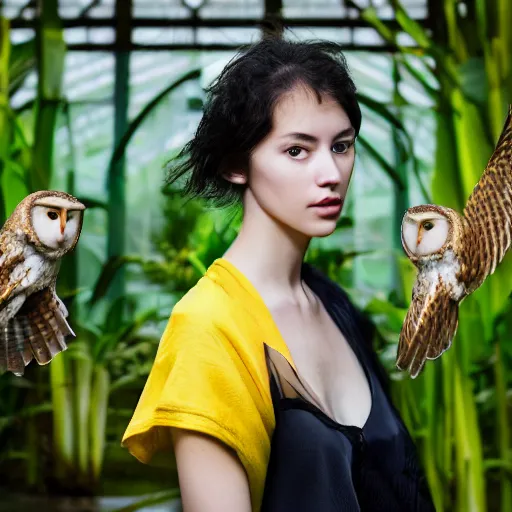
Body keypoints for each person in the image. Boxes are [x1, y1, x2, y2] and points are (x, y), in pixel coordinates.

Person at [121, 36, 435, 511]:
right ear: (235, 164)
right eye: (297, 151)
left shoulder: (333, 303)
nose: (330, 173)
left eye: (342, 146)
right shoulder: (209, 328)